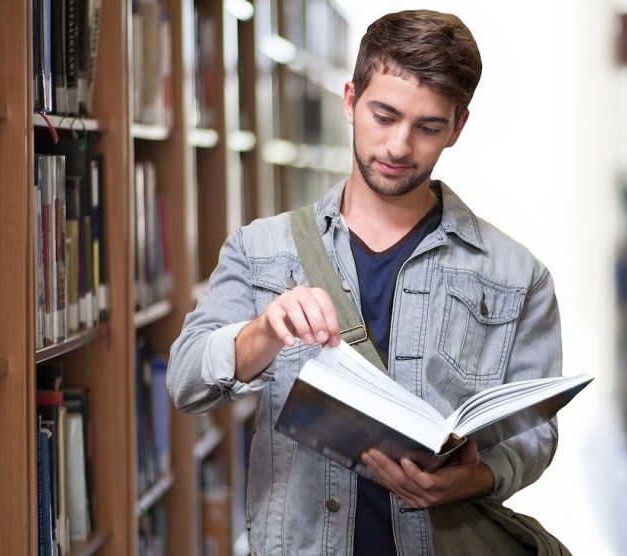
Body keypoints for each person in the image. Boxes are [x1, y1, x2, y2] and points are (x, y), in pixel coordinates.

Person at [168, 9, 563, 555]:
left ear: (458, 127)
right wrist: (263, 331)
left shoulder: (517, 275)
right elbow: (185, 381)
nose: (400, 147)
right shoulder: (261, 249)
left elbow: (535, 435)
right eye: (385, 115)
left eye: (428, 127)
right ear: (351, 100)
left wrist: (473, 479)